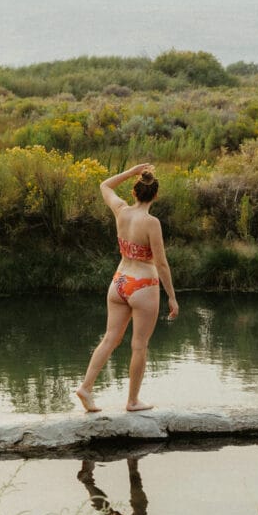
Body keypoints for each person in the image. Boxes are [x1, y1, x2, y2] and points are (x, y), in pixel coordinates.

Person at [74, 162, 178, 413]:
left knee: (110, 338)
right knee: (139, 345)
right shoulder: (151, 223)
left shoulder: (121, 210)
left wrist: (131, 171)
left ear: (134, 192)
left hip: (119, 282)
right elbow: (161, 263)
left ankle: (86, 388)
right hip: (143, 285)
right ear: (156, 195)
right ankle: (132, 401)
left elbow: (105, 185)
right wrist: (172, 297)